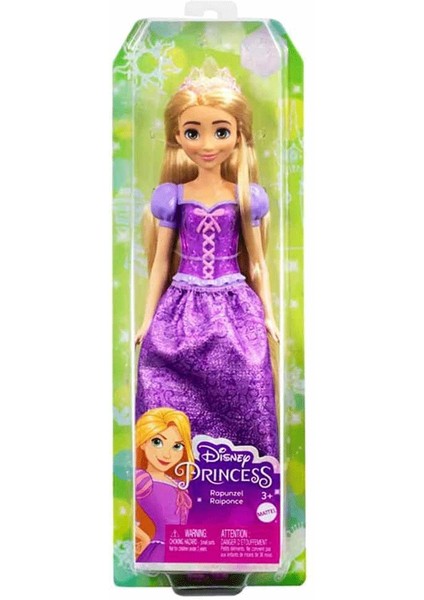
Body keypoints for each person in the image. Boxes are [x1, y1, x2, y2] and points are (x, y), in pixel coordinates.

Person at [135, 64, 279, 459]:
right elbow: (160, 263)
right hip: (181, 307)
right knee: (164, 387)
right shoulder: (173, 196)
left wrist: (268, 316)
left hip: (236, 308)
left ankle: (250, 472)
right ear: (178, 137)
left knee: (248, 383)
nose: (207, 144)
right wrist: (147, 321)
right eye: (193, 132)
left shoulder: (246, 196)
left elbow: (257, 264)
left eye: (221, 131)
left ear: (238, 135)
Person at [135, 407, 194, 562]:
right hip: (159, 551)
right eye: (157, 442)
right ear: (143, 442)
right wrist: (143, 537)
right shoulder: (142, 478)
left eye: (177, 446)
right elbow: (123, 513)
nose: (167, 454)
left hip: (181, 550)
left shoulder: (177, 483)